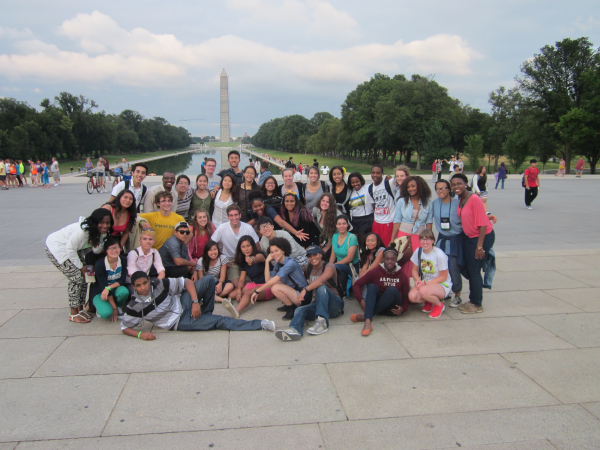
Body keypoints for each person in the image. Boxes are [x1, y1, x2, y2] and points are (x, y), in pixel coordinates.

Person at [121, 272, 275, 339]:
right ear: (134, 287)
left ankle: (205, 313)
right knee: (220, 321)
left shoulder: (159, 283)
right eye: (139, 285)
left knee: (208, 280)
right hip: (178, 322)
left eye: (145, 282)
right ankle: (260, 324)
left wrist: (195, 303)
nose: (143, 287)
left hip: (182, 303)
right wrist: (141, 335)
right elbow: (124, 328)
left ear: (149, 279)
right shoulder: (134, 306)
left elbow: (187, 282)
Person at [45, 208, 112, 323]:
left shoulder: (102, 232)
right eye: (101, 223)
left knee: (84, 278)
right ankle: (73, 313)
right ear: (95, 222)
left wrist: (97, 244)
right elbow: (70, 248)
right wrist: (81, 267)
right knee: (76, 278)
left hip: (74, 251)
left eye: (107, 223)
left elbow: (96, 250)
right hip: (57, 248)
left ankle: (80, 309)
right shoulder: (83, 231)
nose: (104, 226)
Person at [275, 245, 344, 341]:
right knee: (299, 310)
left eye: (315, 255)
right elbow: (306, 280)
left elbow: (321, 280)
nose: (312, 258)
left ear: (320, 255)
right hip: (319, 303)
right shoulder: (308, 267)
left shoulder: (329, 266)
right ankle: (294, 330)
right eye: (310, 256)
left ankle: (322, 323)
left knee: (321, 287)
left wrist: (305, 289)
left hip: (335, 304)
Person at [451, 173, 495, 314]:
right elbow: (474, 215)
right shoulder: (460, 199)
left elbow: (482, 224)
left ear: (465, 184)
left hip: (482, 237)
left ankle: (477, 303)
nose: (456, 186)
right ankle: (472, 299)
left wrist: (480, 246)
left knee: (474, 270)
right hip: (469, 237)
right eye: (453, 184)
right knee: (468, 268)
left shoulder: (474, 198)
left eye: (459, 183)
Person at [351, 243, 409, 336]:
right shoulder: (375, 271)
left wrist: (403, 309)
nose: (390, 262)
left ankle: (366, 316)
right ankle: (368, 322)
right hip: (378, 306)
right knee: (372, 287)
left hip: (392, 309)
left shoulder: (402, 275)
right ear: (383, 259)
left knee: (392, 290)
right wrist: (361, 300)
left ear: (396, 260)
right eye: (387, 259)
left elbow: (406, 297)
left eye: (393, 259)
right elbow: (357, 285)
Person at [250, 237, 308, 320]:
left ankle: (291, 307)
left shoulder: (290, 263)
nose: (274, 254)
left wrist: (257, 291)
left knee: (275, 287)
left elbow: (274, 280)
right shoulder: (279, 263)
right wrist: (266, 261)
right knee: (272, 285)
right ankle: (288, 304)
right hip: (294, 292)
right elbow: (268, 280)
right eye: (272, 252)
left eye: (276, 251)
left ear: (283, 250)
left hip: (303, 296)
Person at [390, 175, 433, 279]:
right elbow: (397, 220)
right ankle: (403, 286)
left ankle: (419, 286)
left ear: (420, 186)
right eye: (408, 187)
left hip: (420, 237)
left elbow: (429, 222)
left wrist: (430, 240)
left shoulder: (428, 203)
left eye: (413, 186)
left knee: (420, 262)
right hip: (404, 236)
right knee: (404, 261)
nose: (410, 189)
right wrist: (392, 239)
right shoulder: (401, 201)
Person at [431, 179, 464, 307]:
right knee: (440, 268)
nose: (441, 191)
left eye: (444, 187)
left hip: (455, 239)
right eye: (438, 189)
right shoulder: (434, 204)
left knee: (453, 267)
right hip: (442, 239)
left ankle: (458, 294)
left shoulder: (458, 203)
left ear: (449, 188)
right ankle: (445, 291)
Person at [211, 204, 260, 288]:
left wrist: (254, 258)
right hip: (231, 259)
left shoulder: (248, 228)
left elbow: (257, 247)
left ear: (240, 215)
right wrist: (222, 258)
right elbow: (211, 245)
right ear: (228, 216)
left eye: (236, 215)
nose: (234, 218)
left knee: (257, 281)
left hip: (247, 257)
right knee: (238, 286)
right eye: (231, 215)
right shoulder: (222, 228)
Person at [221, 236, 270, 318]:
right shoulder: (243, 262)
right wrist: (239, 290)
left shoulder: (260, 254)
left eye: (248, 246)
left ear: (252, 246)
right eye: (243, 247)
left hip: (267, 285)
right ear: (240, 249)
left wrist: (252, 259)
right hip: (255, 284)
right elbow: (241, 280)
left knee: (247, 293)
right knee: (232, 295)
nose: (246, 249)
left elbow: (257, 259)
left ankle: (237, 311)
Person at [408, 229, 453, 318]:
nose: (425, 242)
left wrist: (426, 284)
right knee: (412, 296)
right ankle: (429, 300)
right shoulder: (418, 251)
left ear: (432, 240)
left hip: (442, 284)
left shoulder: (439, 255)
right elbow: (414, 270)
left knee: (423, 291)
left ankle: (439, 305)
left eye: (428, 239)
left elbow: (444, 276)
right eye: (423, 239)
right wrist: (418, 281)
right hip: (426, 282)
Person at [91, 237, 130, 321]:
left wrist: (108, 288)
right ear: (106, 251)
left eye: (116, 247)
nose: (114, 250)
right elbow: (103, 286)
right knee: (106, 314)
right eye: (111, 248)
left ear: (120, 248)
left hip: (113, 288)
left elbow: (122, 280)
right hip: (101, 291)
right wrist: (113, 308)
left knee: (124, 291)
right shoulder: (100, 264)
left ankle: (119, 306)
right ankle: (102, 308)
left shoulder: (123, 260)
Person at [329, 214, 359, 297]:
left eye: (344, 223)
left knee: (336, 267)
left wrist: (334, 265)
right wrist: (329, 266)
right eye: (339, 224)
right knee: (328, 268)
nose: (341, 226)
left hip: (351, 266)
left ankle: (344, 290)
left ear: (347, 225)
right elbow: (333, 255)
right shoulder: (334, 236)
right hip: (339, 265)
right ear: (336, 225)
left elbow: (349, 258)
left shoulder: (352, 237)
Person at [368, 164, 397, 246]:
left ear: (382, 173)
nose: (375, 175)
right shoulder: (370, 188)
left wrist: (391, 176)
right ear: (370, 173)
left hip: (389, 222)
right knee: (375, 246)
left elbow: (401, 178)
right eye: (373, 173)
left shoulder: (389, 183)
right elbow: (374, 205)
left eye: (378, 173)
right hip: (376, 222)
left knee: (387, 247)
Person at [347, 172, 373, 242]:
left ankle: (363, 253)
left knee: (362, 240)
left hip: (366, 218)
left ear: (361, 180)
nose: (355, 184)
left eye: (357, 181)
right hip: (354, 219)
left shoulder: (368, 188)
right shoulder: (350, 192)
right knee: (354, 240)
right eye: (353, 182)